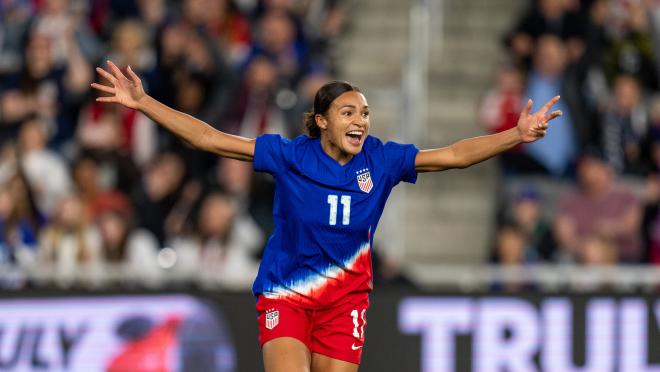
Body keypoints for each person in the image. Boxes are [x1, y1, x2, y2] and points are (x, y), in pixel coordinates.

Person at [92, 60, 561, 372]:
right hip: (286, 294)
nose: (361, 121)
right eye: (348, 112)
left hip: (345, 300)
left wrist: (514, 135)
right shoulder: (289, 154)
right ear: (321, 121)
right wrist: (144, 103)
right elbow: (210, 139)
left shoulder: (381, 160)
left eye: (366, 113)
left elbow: (455, 155)